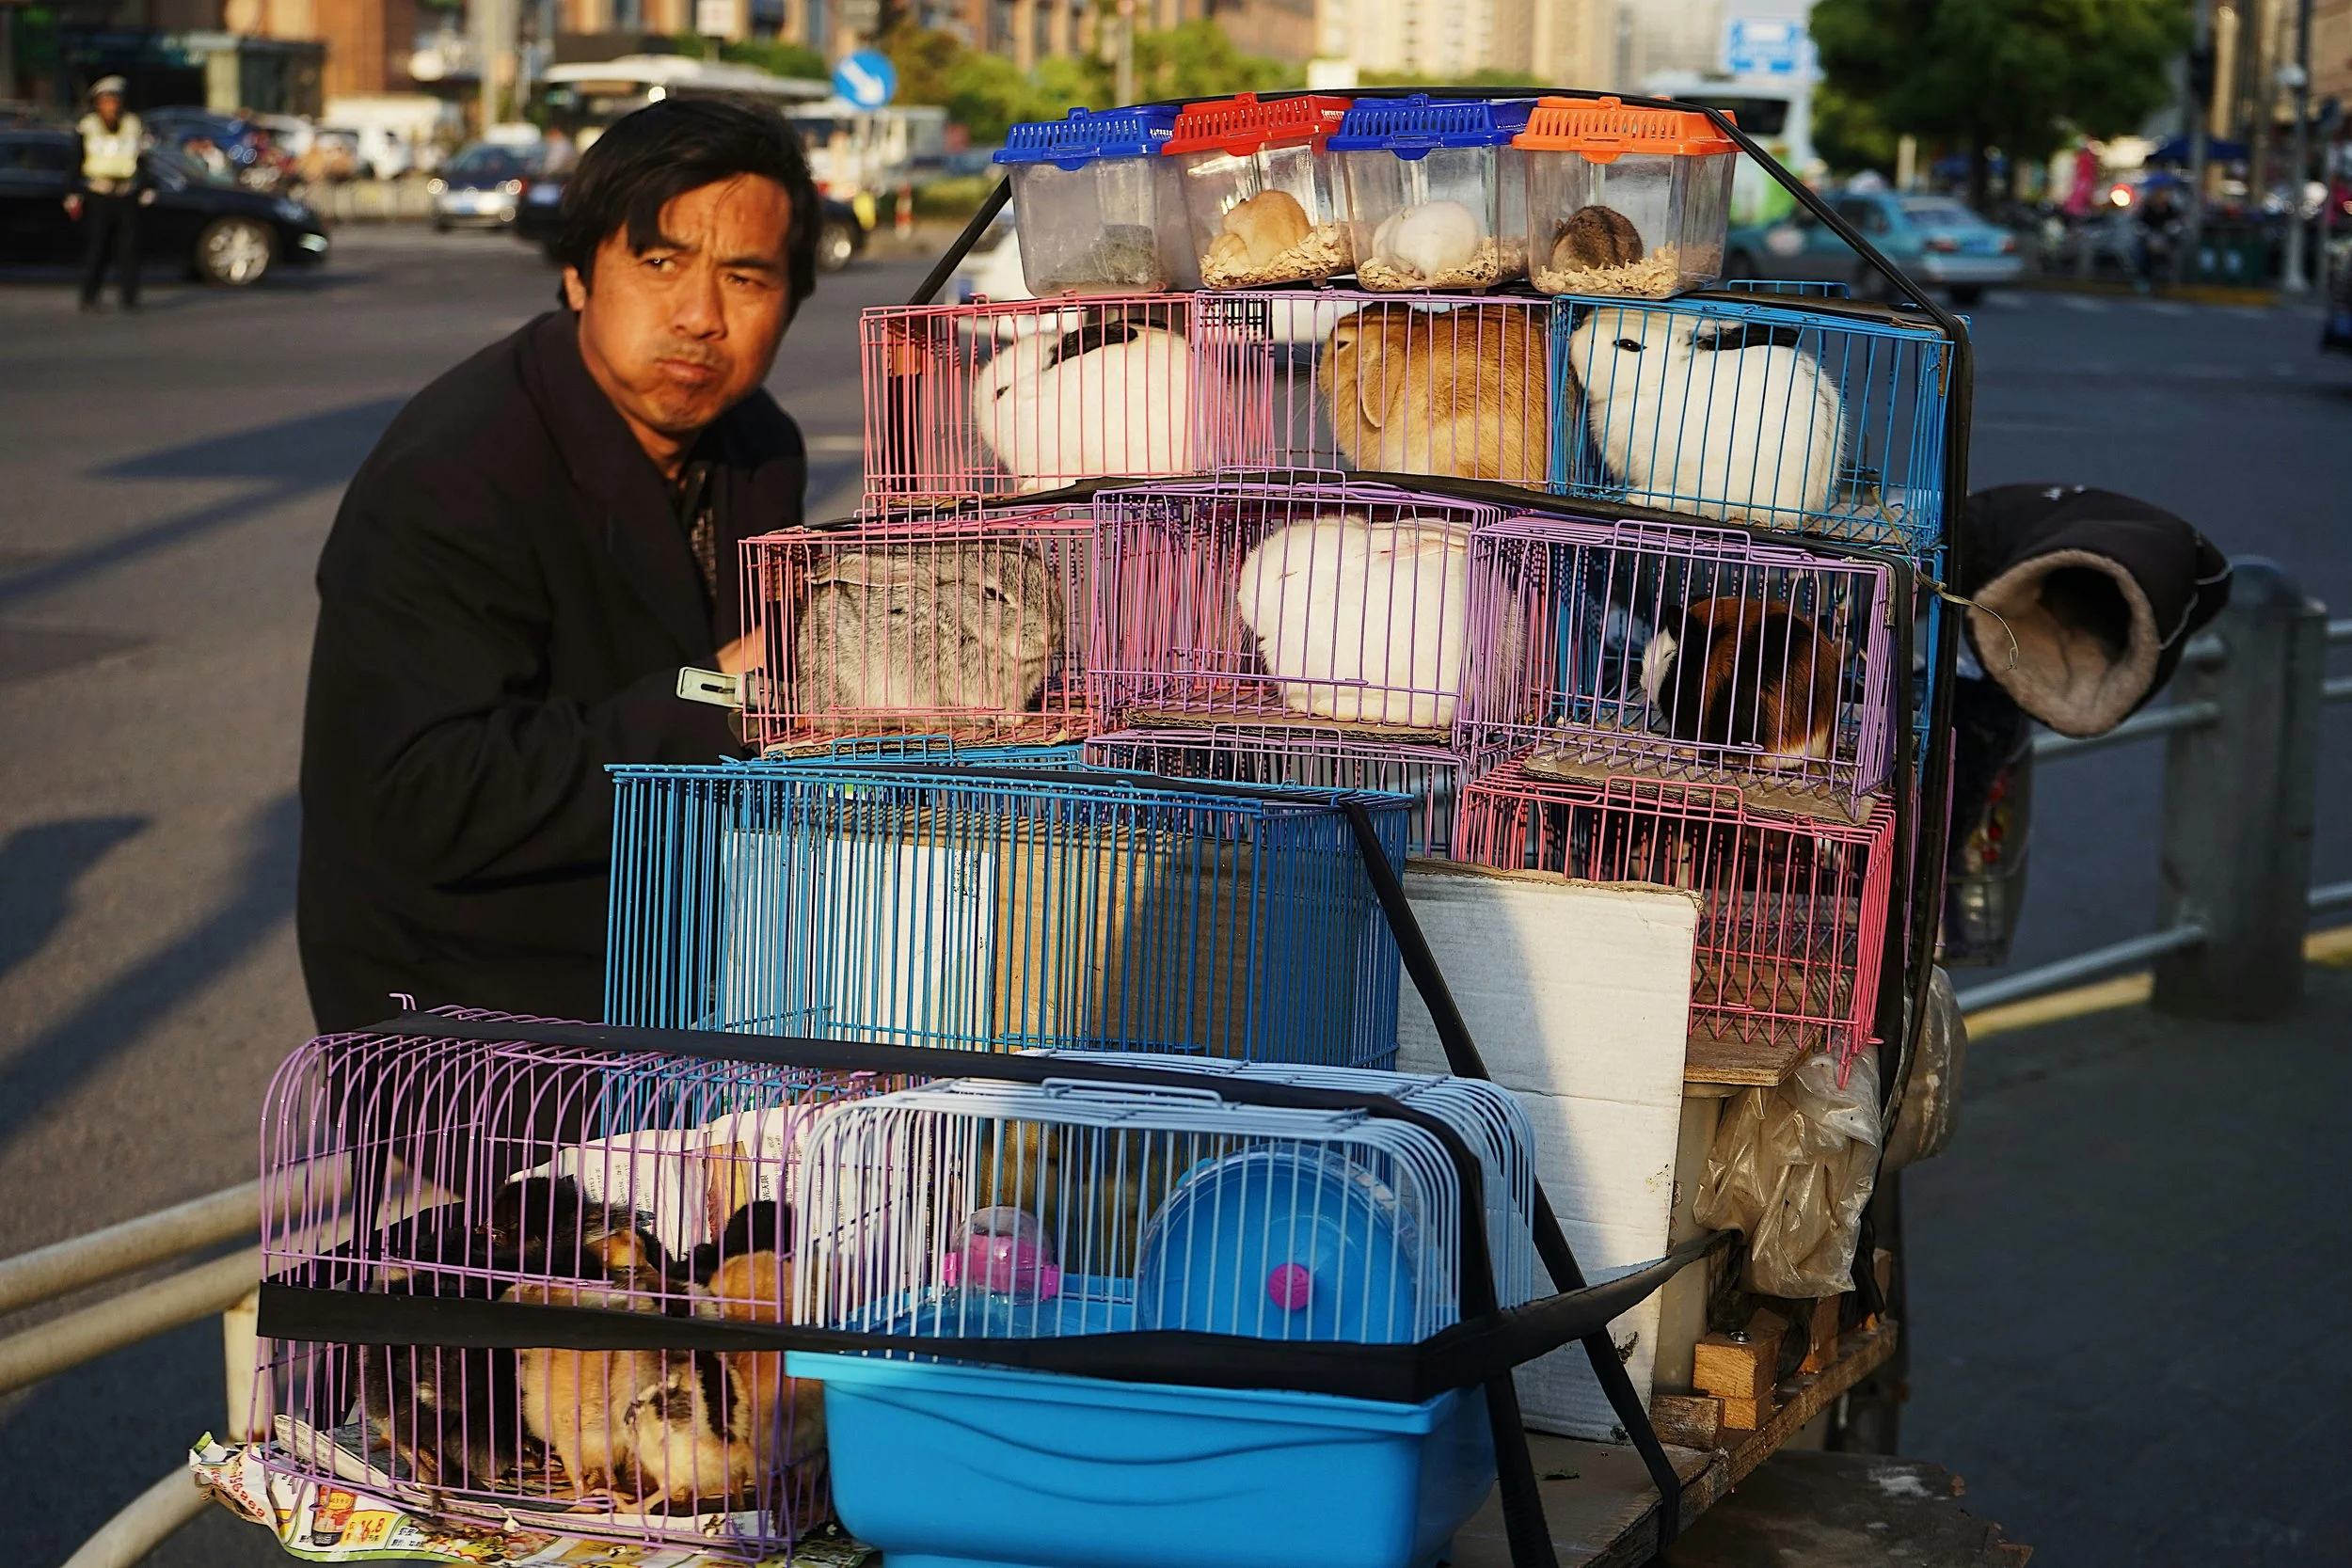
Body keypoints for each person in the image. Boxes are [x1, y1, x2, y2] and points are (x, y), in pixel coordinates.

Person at [296, 98, 821, 1033]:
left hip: (678, 964)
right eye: (659, 264)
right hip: (471, 1011)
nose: (701, 317)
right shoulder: (459, 470)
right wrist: (714, 698)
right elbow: (422, 793)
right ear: (579, 274)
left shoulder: (758, 442)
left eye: (746, 278)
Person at [67, 76, 150, 312]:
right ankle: (90, 297)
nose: (110, 106)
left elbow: (142, 158)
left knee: (129, 248)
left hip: (126, 191)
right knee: (97, 247)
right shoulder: (88, 126)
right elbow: (76, 160)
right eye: (105, 101)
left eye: (114, 101)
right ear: (97, 104)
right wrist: (71, 191)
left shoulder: (133, 124)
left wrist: (146, 186)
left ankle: (129, 298)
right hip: (98, 192)